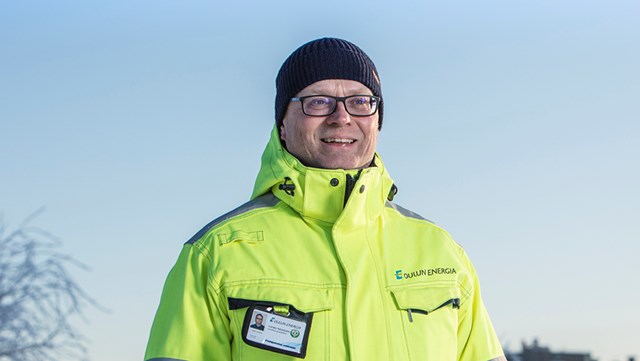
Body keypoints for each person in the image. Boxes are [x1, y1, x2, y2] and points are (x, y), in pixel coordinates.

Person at [144, 37, 506, 361]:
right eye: (319, 102)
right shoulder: (216, 253)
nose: (341, 117)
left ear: (377, 120)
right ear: (283, 125)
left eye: (360, 101)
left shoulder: (441, 251)